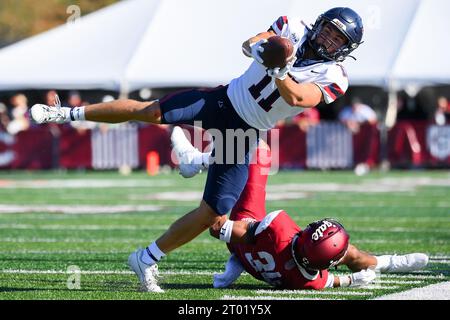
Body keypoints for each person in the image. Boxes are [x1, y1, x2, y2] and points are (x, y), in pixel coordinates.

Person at [29, 8, 364, 292]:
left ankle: (145, 258)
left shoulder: (335, 75)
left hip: (247, 130)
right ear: (320, 24)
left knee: (213, 214)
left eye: (339, 40)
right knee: (149, 112)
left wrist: (279, 70)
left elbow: (297, 98)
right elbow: (249, 44)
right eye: (330, 32)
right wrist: (263, 50)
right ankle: (64, 113)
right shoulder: (292, 29)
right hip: (223, 100)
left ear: (345, 49)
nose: (329, 41)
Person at [173, 129, 429, 290]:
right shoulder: (309, 281)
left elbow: (216, 228)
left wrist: (239, 237)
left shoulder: (279, 229)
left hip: (248, 241)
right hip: (260, 262)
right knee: (350, 253)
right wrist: (352, 280)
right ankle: (390, 262)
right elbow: (330, 280)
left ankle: (197, 160)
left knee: (257, 147)